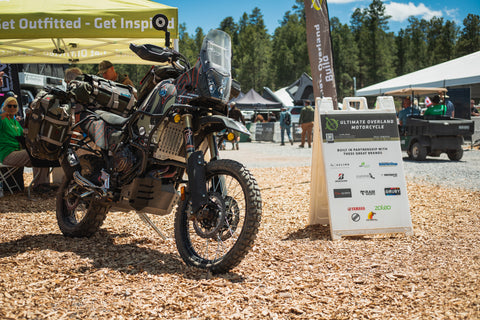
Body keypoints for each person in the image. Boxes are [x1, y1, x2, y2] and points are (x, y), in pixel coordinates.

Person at [0, 96, 50, 193]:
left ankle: (43, 184)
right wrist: (4, 113)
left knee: (42, 153)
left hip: (18, 152)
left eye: (14, 106)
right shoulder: (2, 119)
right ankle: (39, 186)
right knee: (35, 154)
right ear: (4, 107)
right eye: (9, 106)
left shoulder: (15, 122)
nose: (12, 108)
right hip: (7, 154)